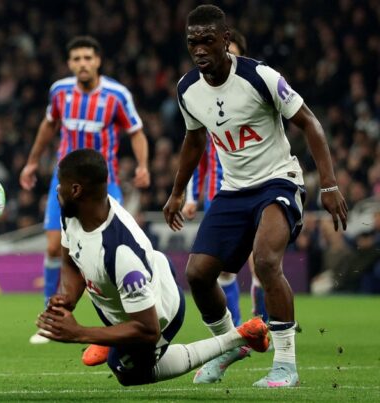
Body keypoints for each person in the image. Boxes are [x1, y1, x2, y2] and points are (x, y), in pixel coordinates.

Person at [164, 5, 348, 388]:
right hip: (233, 191)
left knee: (265, 261)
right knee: (198, 274)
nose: (199, 49)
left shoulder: (259, 76)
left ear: (225, 39)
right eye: (192, 42)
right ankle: (231, 344)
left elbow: (310, 123)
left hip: (278, 182)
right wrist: (178, 191)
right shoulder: (187, 89)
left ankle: (285, 364)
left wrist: (328, 184)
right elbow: (195, 138)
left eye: (207, 40)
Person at [35, 149, 269, 387]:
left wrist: (79, 333)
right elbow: (71, 263)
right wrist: (68, 299)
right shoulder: (74, 212)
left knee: (127, 373)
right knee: (117, 328)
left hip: (160, 312)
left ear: (76, 190)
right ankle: (113, 338)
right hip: (141, 282)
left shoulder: (120, 254)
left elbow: (148, 330)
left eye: (60, 184)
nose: (56, 190)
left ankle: (236, 339)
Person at [20, 35, 151, 359]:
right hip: (63, 185)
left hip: (102, 187)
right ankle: (51, 320)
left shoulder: (117, 95)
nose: (82, 64)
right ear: (70, 64)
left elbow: (135, 131)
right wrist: (33, 161)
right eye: (76, 58)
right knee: (54, 247)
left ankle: (130, 318)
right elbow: (48, 126)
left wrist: (144, 165)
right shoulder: (60, 92)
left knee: (116, 250)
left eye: (87, 58)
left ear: (98, 61)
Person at [180, 29, 271, 384]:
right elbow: (197, 151)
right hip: (227, 196)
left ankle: (259, 323)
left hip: (261, 188)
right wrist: (189, 197)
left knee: (263, 264)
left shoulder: (252, 89)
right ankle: (236, 334)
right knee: (222, 273)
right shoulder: (201, 99)